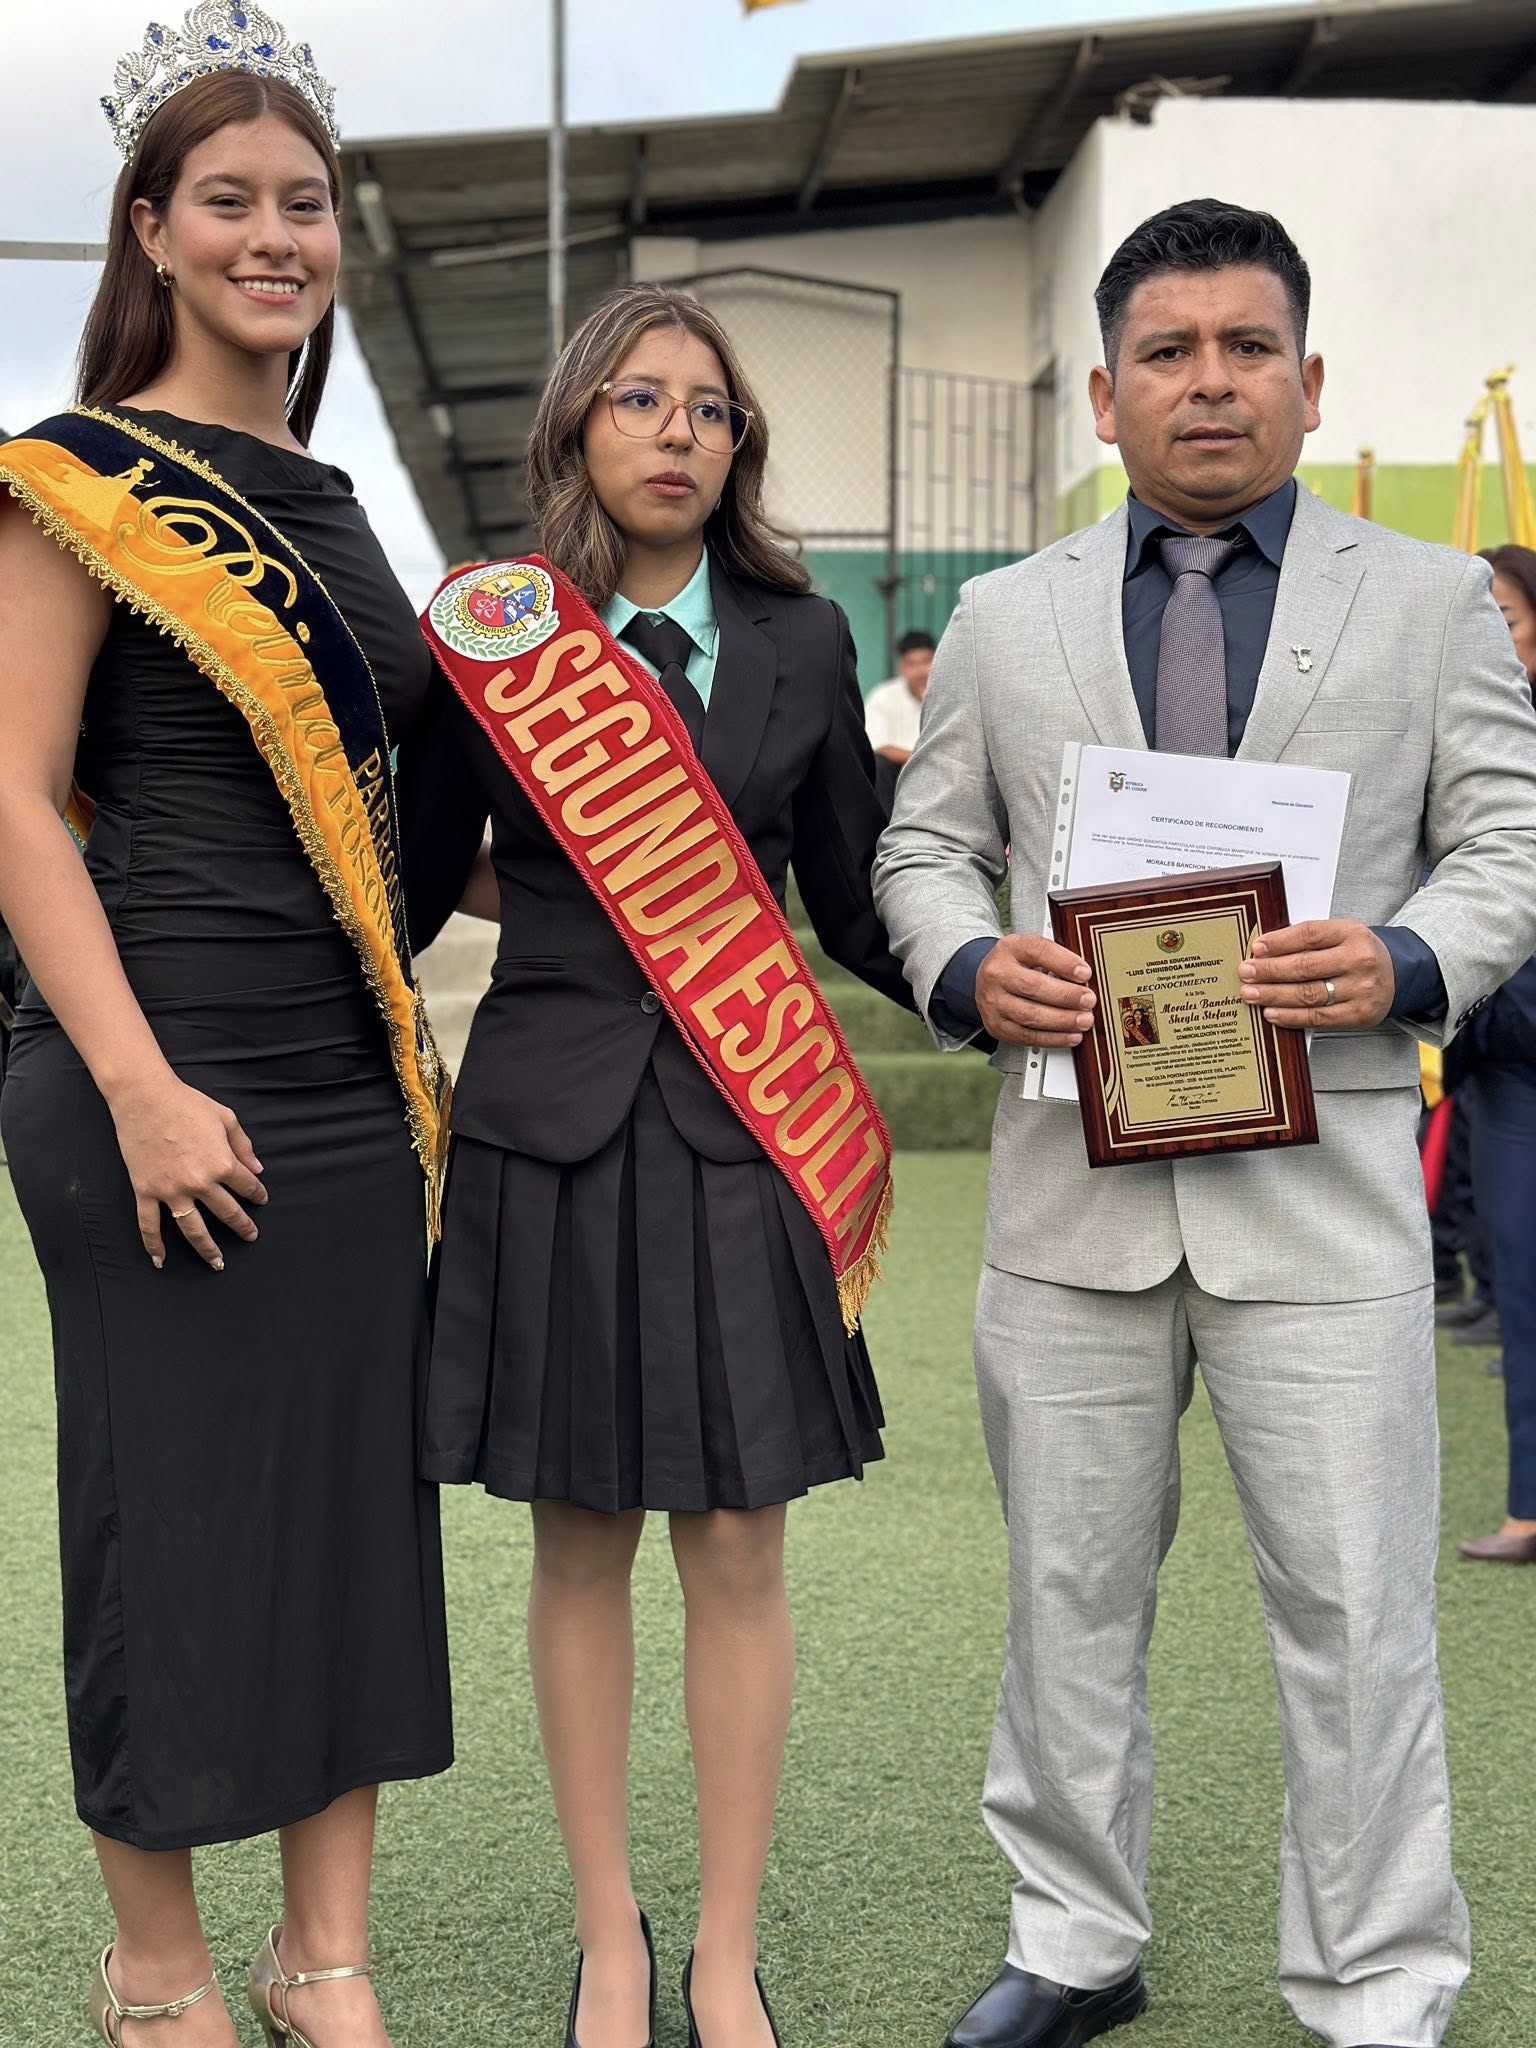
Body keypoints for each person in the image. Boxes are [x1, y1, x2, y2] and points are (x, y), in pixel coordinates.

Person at [874, 198, 1536, 2048]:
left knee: (1358, 1611)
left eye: (1248, 347)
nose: (1210, 381)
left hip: (1324, 1199)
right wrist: (963, 968)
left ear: (1310, 380)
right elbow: (924, 848)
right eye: (1167, 352)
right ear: (1105, 397)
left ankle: (1377, 1979)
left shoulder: (1429, 604)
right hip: (1068, 1203)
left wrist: (1408, 955)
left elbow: (1511, 840)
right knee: (1066, 1597)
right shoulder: (1002, 618)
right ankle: (1075, 1939)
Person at [0, 14, 453, 2046]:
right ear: (151, 228)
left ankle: (321, 1952)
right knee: (170, 1521)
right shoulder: (72, 478)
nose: (276, 239)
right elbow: (14, 798)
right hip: (150, 1063)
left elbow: (396, 808)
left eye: (305, 205)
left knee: (351, 1512)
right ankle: (159, 1966)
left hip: (345, 1080)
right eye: (231, 203)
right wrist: (137, 1086)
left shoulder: (335, 498)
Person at [399, 283, 913, 2048]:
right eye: (637, 398)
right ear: (575, 426)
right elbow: (413, 879)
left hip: (745, 1135)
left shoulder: (805, 639)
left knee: (743, 1544)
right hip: (548, 1132)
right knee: (577, 1542)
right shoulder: (495, 639)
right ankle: (609, 1937)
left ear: (738, 444)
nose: (676, 430)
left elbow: (850, 897)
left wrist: (986, 978)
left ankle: (723, 1948)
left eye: (708, 405)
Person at [1447, 542, 1536, 1560]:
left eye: (1505, 618)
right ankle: (1529, 1504)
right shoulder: (1455, 728)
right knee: (1521, 1278)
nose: (1492, 640)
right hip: (1511, 1063)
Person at [863, 627, 935, 771]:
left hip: (941, 771)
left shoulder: (950, 695)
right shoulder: (883, 696)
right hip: (898, 771)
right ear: (901, 668)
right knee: (878, 763)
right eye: (911, 664)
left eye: (926, 661)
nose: (920, 671)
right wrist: (924, 759)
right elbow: (878, 746)